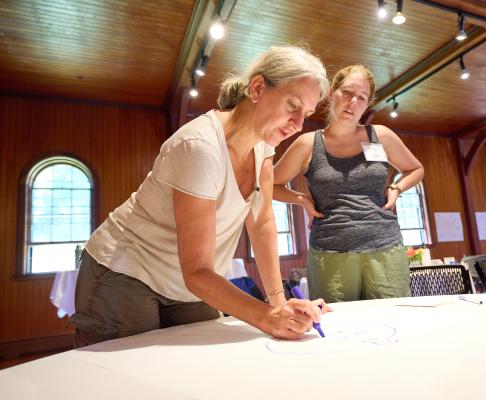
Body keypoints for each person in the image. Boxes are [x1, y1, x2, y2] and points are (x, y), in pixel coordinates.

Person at [68, 45, 331, 347]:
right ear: (257, 88)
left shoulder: (264, 147)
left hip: (185, 281)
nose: (298, 125)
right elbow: (197, 271)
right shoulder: (201, 146)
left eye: (307, 114)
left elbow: (261, 224)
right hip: (125, 269)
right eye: (292, 106)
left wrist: (278, 303)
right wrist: (268, 318)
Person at [273, 65, 424, 303]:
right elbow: (270, 184)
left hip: (385, 248)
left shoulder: (381, 135)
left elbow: (416, 169)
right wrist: (301, 199)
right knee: (338, 327)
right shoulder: (308, 144)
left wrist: (396, 187)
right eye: (347, 92)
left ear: (367, 105)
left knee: (395, 319)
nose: (353, 101)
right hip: (330, 252)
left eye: (361, 97)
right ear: (332, 93)